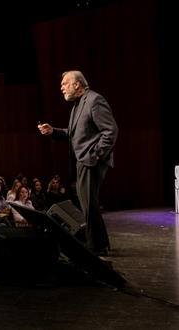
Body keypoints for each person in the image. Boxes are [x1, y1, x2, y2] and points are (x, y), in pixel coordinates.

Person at [38, 70, 118, 256]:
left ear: (77, 85)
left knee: (89, 203)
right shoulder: (78, 105)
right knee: (87, 203)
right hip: (83, 160)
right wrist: (53, 132)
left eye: (64, 84)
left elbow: (111, 131)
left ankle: (96, 246)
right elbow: (73, 134)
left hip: (91, 160)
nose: (61, 87)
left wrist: (97, 154)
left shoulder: (94, 100)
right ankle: (100, 243)